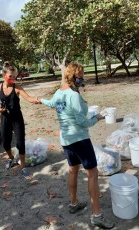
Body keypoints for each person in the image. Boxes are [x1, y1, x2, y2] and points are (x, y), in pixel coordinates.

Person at [37, 63, 114, 229]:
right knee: (93, 173)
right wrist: (98, 117)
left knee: (73, 169)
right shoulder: (74, 96)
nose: (82, 79)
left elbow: (52, 104)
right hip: (79, 140)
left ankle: (73, 204)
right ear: (73, 77)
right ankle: (97, 216)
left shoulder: (59, 93)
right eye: (80, 76)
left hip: (66, 140)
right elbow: (83, 122)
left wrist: (39, 100)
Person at [0, 61, 39, 177]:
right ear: (4, 75)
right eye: (10, 76)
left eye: (14, 76)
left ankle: (23, 166)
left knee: (20, 143)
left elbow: (28, 98)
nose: (13, 78)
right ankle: (11, 158)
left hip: (17, 118)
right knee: (5, 142)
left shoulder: (17, 88)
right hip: (5, 118)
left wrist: (37, 100)